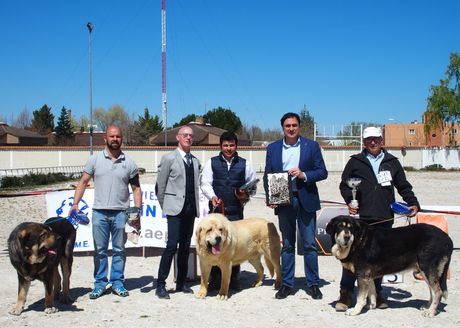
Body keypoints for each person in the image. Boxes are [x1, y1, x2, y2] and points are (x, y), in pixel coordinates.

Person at [337, 126, 420, 311]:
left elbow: (403, 185)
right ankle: (346, 293)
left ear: (381, 141)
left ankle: (378, 293)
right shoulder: (355, 162)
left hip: (384, 218)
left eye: (375, 139)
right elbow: (344, 185)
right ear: (364, 142)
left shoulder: (392, 162)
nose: (372, 142)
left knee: (380, 258)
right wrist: (350, 200)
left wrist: (412, 202)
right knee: (350, 258)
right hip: (360, 219)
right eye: (368, 140)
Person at [70, 125, 142, 299]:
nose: (115, 139)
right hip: (99, 213)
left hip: (121, 214)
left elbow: (136, 189)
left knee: (119, 250)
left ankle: (117, 282)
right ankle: (100, 283)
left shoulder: (129, 163)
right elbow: (83, 182)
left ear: (122, 138)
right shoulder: (94, 160)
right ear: (105, 139)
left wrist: (136, 211)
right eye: (112, 136)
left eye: (118, 136)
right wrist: (75, 204)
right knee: (100, 251)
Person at [264, 112, 328, 300]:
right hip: (283, 200)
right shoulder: (273, 148)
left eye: (294, 125)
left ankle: (313, 284)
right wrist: (270, 197)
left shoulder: (312, 146)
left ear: (299, 126)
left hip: (306, 198)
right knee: (288, 245)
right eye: (287, 126)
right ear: (282, 128)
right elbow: (268, 174)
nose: (291, 128)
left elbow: (322, 171)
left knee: (309, 244)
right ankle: (287, 284)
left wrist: (304, 175)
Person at [201, 131, 257, 290]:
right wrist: (212, 196)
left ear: (236, 146)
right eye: (225, 145)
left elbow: (252, 185)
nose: (229, 148)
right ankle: (215, 279)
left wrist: (245, 194)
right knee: (215, 244)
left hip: (236, 212)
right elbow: (205, 183)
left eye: (232, 145)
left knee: (234, 245)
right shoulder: (211, 163)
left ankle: (234, 279)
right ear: (220, 146)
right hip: (217, 212)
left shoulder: (245, 164)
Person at [155, 125, 201, 299]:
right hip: (174, 209)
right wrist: (165, 206)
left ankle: (181, 283)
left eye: (190, 135)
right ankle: (161, 285)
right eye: (185, 135)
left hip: (190, 209)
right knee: (171, 246)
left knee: (185, 247)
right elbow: (160, 186)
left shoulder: (195, 161)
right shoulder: (169, 158)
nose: (188, 138)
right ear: (178, 137)